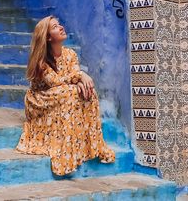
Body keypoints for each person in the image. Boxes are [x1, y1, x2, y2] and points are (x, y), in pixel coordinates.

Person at [16, 15, 115, 175]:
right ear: (48, 37)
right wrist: (81, 75)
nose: (61, 27)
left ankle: (89, 144)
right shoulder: (41, 61)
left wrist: (82, 80)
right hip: (41, 99)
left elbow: (73, 76)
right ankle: (66, 150)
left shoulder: (70, 54)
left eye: (59, 24)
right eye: (55, 27)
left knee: (87, 90)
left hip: (62, 93)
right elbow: (55, 82)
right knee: (69, 92)